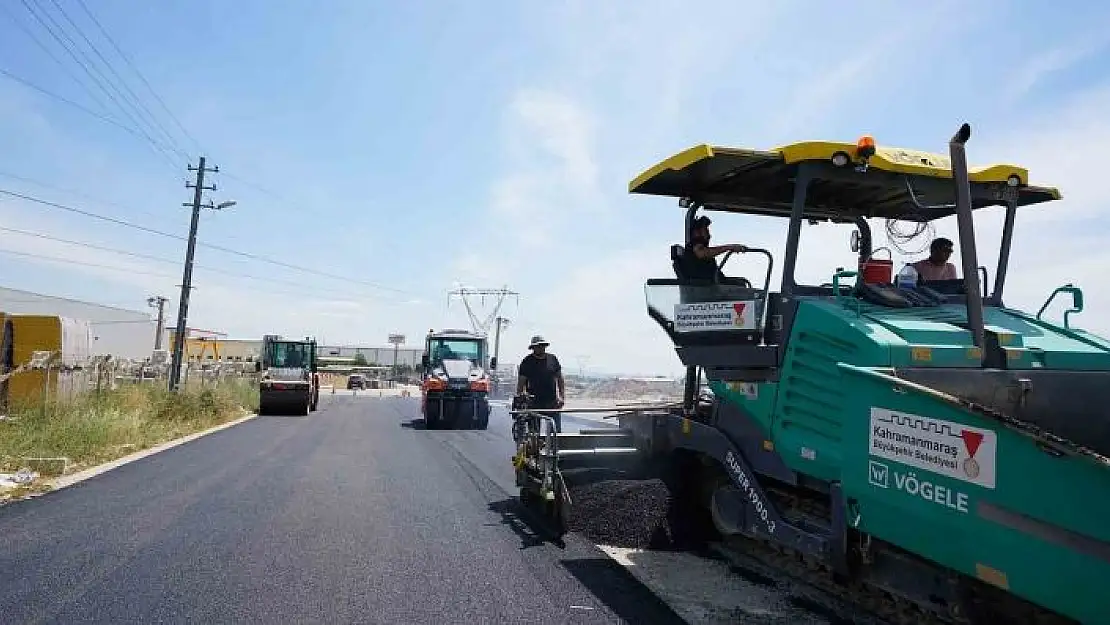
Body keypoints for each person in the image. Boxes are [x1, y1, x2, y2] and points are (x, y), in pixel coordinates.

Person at [516, 335, 565, 432]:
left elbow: (560, 378)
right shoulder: (527, 362)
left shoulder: (553, 359)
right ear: (533, 348)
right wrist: (521, 398)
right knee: (534, 434)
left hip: (552, 402)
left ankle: (553, 446)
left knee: (556, 432)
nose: (540, 348)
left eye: (542, 345)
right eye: (538, 346)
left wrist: (562, 396)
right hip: (534, 403)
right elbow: (521, 383)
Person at [684, 215, 748, 281]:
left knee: (741, 283)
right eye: (706, 230)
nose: (709, 235)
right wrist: (730, 247)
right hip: (708, 288)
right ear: (696, 232)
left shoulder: (701, 252)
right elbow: (702, 253)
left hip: (716, 286)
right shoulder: (693, 247)